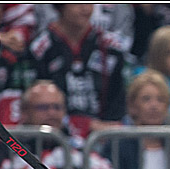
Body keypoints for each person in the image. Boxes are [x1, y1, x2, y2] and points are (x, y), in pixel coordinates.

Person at [29, 3, 130, 140]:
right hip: (56, 137)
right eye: (77, 3)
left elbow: (118, 98)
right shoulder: (40, 49)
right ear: (60, 7)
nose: (85, 8)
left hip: (104, 136)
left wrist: (109, 127)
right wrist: (82, 124)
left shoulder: (111, 47)